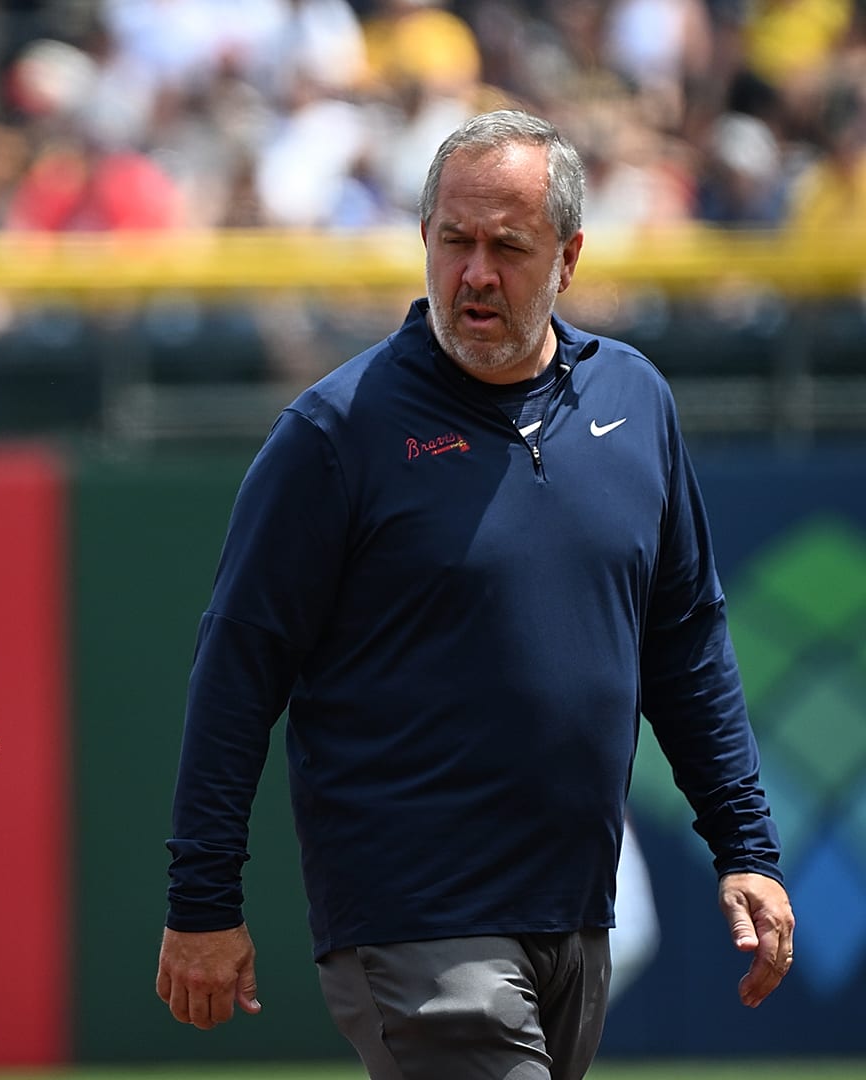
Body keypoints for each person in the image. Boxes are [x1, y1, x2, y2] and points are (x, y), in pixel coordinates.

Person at [155, 110, 795, 1080]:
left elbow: (685, 642)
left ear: (569, 257)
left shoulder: (634, 398)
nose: (476, 273)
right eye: (454, 241)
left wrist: (746, 845)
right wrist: (203, 900)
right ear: (423, 239)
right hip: (414, 916)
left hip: (575, 911)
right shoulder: (335, 434)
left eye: (509, 246)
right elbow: (237, 673)